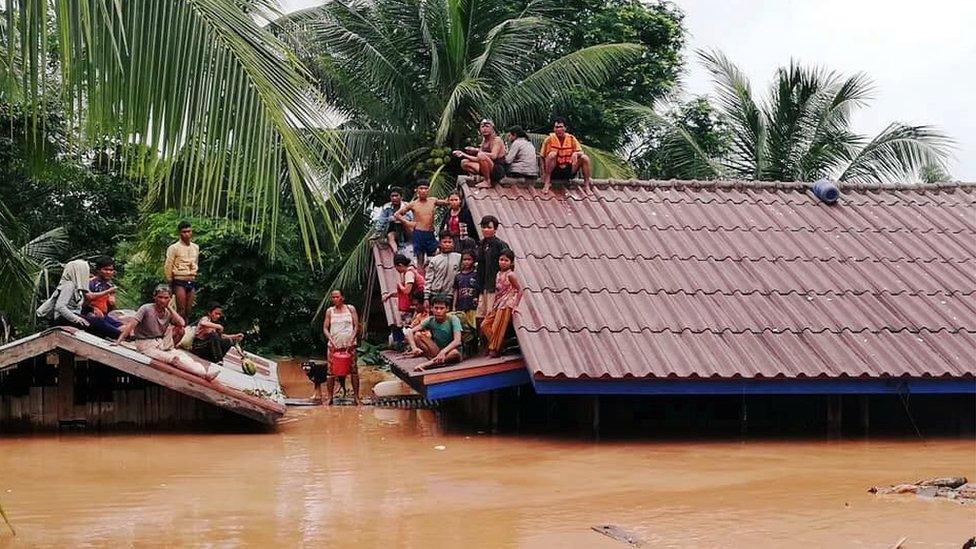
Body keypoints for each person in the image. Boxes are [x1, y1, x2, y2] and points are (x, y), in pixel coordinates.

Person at [116, 285, 219, 381]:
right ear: (154, 297)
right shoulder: (146, 308)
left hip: (161, 343)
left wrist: (169, 308)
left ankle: (205, 372)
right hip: (145, 344)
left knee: (184, 357)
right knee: (174, 359)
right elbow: (131, 325)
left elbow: (182, 323)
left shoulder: (168, 312)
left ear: (170, 299)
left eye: (166, 298)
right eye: (160, 297)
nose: (163, 300)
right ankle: (203, 375)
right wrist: (119, 341)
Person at [481, 249, 522, 357]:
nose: (503, 262)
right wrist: (492, 306)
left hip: (507, 303)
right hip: (498, 302)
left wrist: (515, 304)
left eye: (506, 260)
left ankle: (495, 349)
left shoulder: (511, 275)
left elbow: (520, 289)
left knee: (498, 326)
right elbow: (497, 291)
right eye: (501, 260)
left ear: (511, 263)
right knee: (485, 324)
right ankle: (497, 346)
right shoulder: (498, 273)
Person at [322, 290, 360, 405]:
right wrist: (331, 340)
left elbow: (356, 326)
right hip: (334, 347)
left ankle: (356, 397)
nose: (335, 299)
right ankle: (330, 397)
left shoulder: (350, 309)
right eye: (333, 297)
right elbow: (325, 328)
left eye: (337, 297)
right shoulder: (330, 311)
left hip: (349, 346)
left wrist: (352, 339)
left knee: (353, 370)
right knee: (331, 372)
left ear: (342, 297)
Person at [406, 296, 463, 371]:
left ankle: (428, 364)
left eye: (442, 308)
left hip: (451, 351)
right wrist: (414, 348)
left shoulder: (453, 319)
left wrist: (443, 352)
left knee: (454, 353)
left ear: (447, 309)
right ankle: (435, 360)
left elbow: (457, 341)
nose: (438, 311)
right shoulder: (430, 320)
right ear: (432, 308)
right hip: (437, 351)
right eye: (436, 308)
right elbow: (410, 331)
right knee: (417, 335)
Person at [539, 117, 592, 195]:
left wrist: (576, 153)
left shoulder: (571, 139)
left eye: (561, 127)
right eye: (556, 127)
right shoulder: (548, 140)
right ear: (554, 129)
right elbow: (542, 157)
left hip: (568, 169)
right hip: (554, 171)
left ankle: (586, 185)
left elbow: (581, 151)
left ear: (565, 128)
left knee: (585, 158)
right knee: (551, 154)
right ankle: (547, 182)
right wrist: (543, 173)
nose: (558, 129)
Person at [36, 259, 91, 331]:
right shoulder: (69, 285)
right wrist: (77, 319)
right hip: (63, 319)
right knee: (98, 324)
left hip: (71, 317)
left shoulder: (77, 288)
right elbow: (60, 306)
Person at [382, 253, 425, 345]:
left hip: (419, 301)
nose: (396, 270)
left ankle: (411, 345)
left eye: (396, 267)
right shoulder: (410, 271)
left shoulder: (409, 273)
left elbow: (406, 291)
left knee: (409, 327)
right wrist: (389, 295)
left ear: (400, 265)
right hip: (415, 302)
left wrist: (400, 285)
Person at [474, 215, 510, 323]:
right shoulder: (481, 244)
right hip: (482, 285)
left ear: (495, 229)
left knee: (490, 316)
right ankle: (481, 340)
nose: (485, 230)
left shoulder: (500, 245)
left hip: (494, 286)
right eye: (484, 227)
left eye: (489, 227)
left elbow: (509, 265)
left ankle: (492, 340)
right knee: (479, 315)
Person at [394, 180, 438, 268]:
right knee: (420, 257)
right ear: (416, 190)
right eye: (421, 188)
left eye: (426, 188)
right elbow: (397, 214)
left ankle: (429, 271)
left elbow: (448, 202)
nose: (424, 191)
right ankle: (420, 276)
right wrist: (407, 223)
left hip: (430, 232)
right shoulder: (413, 204)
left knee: (435, 254)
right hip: (418, 233)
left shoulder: (433, 200)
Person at [453, 119, 507, 188]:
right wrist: (463, 154)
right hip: (486, 168)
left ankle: (487, 181)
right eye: (482, 126)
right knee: (464, 162)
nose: (484, 129)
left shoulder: (497, 140)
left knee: (481, 155)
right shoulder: (484, 141)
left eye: (487, 126)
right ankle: (483, 176)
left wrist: (476, 151)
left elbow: (493, 156)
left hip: (497, 170)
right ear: (480, 129)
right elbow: (478, 159)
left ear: (492, 129)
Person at [164, 221, 200, 319]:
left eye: (189, 231)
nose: (187, 234)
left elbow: (196, 262)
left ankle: (185, 329)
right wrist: (169, 281)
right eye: (184, 232)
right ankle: (179, 331)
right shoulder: (174, 248)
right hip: (179, 279)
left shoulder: (195, 247)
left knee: (189, 310)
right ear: (180, 233)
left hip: (191, 279)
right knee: (181, 309)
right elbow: (168, 265)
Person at [84, 256, 123, 339]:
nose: (108, 272)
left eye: (111, 270)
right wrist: (92, 308)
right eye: (105, 269)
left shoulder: (109, 285)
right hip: (91, 316)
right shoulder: (91, 283)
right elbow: (84, 301)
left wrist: (112, 303)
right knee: (118, 333)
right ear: (98, 270)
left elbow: (110, 308)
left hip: (105, 316)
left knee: (125, 328)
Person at [423, 231, 461, 310]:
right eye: (444, 242)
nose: (447, 244)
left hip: (450, 295)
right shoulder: (435, 260)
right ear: (440, 243)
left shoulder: (459, 258)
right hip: (435, 294)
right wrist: (426, 297)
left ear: (453, 244)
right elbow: (429, 279)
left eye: (449, 242)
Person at [453, 250, 480, 355]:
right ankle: (467, 349)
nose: (467, 262)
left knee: (473, 327)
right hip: (461, 306)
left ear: (473, 261)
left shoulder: (476, 274)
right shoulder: (458, 276)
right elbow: (455, 291)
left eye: (469, 259)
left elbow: (478, 290)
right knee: (464, 329)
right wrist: (454, 306)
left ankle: (475, 348)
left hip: (472, 306)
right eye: (464, 259)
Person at [373, 187, 414, 251]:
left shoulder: (406, 206)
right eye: (392, 196)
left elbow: (412, 219)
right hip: (395, 231)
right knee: (390, 236)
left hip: (407, 230)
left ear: (401, 197)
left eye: (396, 196)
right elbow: (381, 220)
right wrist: (390, 219)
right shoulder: (387, 207)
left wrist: (401, 219)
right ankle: (396, 252)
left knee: (402, 223)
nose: (394, 198)